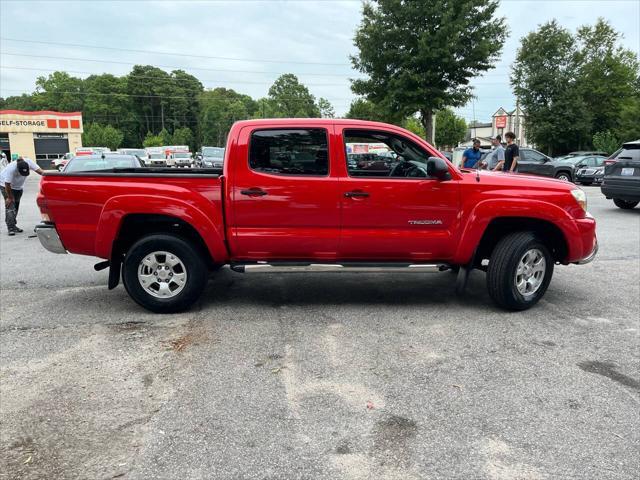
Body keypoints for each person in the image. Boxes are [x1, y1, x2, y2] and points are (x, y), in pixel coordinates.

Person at [1, 157, 43, 236]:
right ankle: (10, 227)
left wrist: (52, 177)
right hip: (5, 186)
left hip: (18, 187)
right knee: (11, 206)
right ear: (17, 169)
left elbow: (41, 172)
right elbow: (7, 184)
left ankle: (13, 225)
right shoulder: (11, 169)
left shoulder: (29, 162)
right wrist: (9, 197)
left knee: (16, 206)